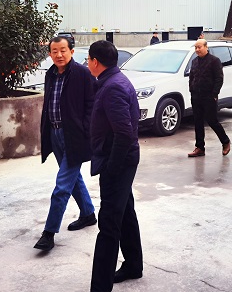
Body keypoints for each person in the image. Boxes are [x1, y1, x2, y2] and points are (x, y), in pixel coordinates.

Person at [87, 40, 143, 291]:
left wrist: (111, 169)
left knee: (108, 223)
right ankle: (133, 265)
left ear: (95, 62)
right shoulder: (111, 81)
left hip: (118, 162)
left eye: (88, 59)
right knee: (125, 212)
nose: (87, 64)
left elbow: (124, 133)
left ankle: (100, 286)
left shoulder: (113, 87)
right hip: (119, 159)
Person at [33, 36, 97, 252]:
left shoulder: (82, 74)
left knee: (62, 186)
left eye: (63, 50)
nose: (59, 55)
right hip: (55, 133)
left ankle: (49, 233)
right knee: (72, 177)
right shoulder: (50, 74)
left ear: (72, 51)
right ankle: (88, 214)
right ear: (49, 54)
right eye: (54, 51)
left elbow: (92, 105)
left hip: (74, 136)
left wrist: (85, 130)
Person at [187, 39, 232, 157]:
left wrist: (214, 94)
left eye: (199, 47)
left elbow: (219, 78)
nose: (197, 50)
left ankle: (225, 141)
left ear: (206, 47)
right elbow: (192, 77)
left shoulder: (214, 61)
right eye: (195, 47)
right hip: (196, 96)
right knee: (198, 122)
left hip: (209, 97)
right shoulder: (194, 61)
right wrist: (191, 90)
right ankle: (200, 147)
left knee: (212, 121)